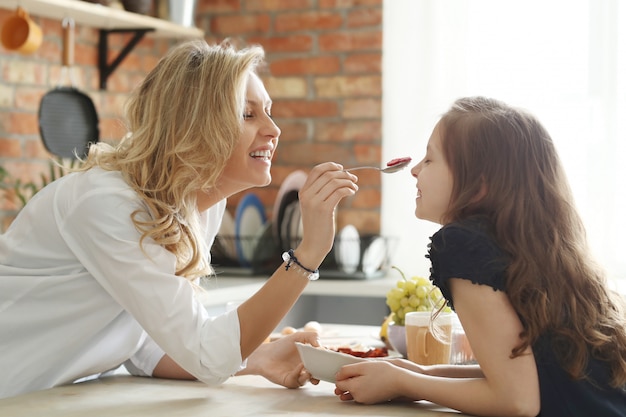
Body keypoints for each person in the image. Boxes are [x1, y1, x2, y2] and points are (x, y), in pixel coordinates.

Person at [0, 40, 359, 399]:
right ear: (196, 125)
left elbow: (149, 348)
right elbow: (207, 356)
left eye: (267, 111)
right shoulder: (108, 203)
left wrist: (257, 357)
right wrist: (309, 252)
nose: (273, 129)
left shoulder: (196, 203)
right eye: (248, 114)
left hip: (39, 399)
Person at [333, 97, 626, 416]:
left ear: (479, 184)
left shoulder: (463, 243)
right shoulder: (531, 247)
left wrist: (406, 384)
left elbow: (517, 401)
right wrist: (413, 374)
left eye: (430, 160)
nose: (415, 170)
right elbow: (528, 374)